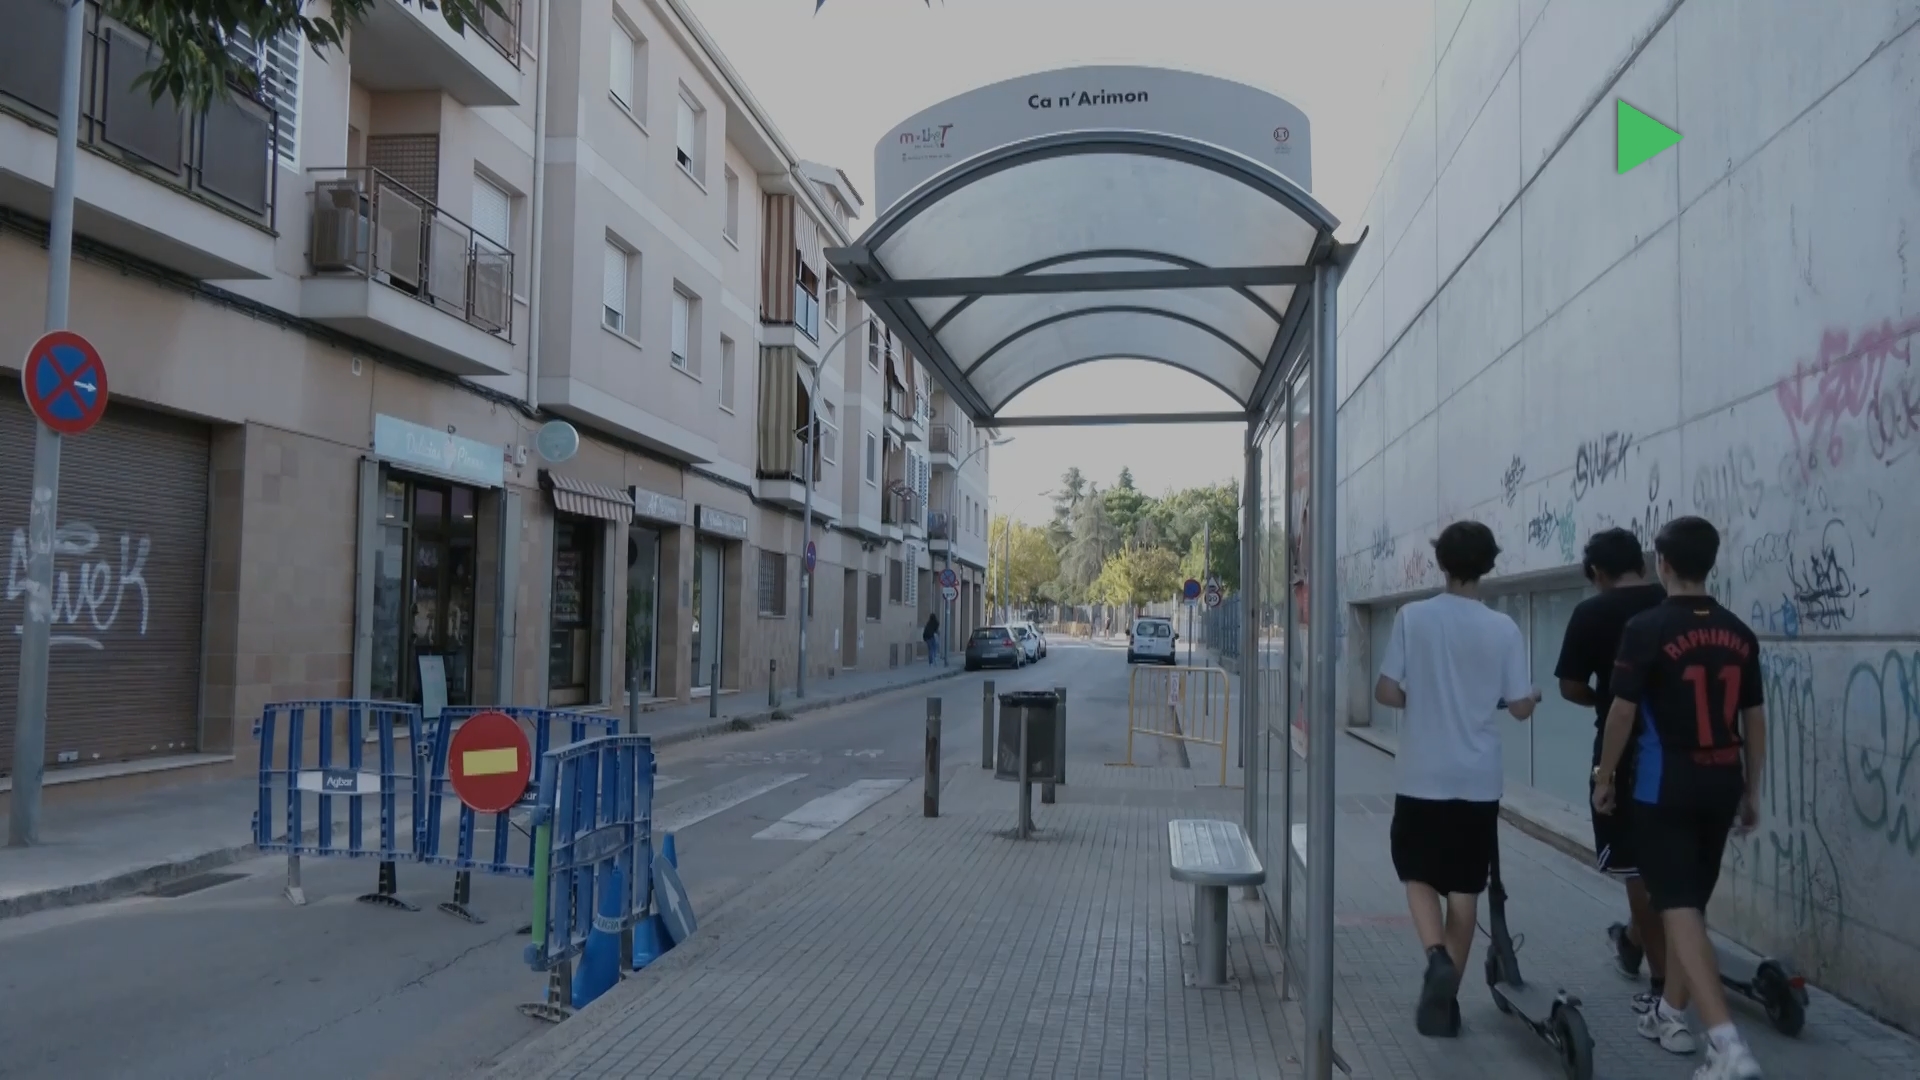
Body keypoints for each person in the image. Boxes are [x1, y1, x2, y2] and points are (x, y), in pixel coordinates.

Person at [1593, 516, 1768, 1080]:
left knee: (1677, 906)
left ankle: (1726, 1044)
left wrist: (1604, 776)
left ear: (1663, 564)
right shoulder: (1740, 633)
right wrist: (1752, 789)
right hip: (1722, 782)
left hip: (1663, 784)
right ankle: (1670, 1012)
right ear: (1710, 563)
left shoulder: (1646, 628)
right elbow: (1754, 717)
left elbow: (1621, 712)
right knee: (1689, 903)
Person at [1374, 520, 1540, 1038]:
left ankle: (1435, 957)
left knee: (1417, 873)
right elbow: (1518, 707)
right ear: (1488, 564)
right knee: (1466, 888)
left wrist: (1419, 699)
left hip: (1422, 774)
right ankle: (1445, 1007)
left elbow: (1385, 690)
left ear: (1440, 562)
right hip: (1478, 780)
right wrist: (1531, 697)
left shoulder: (1413, 617)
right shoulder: (1503, 629)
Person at [1553, 528, 1672, 1024]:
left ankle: (1662, 984)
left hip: (1624, 752)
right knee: (1672, 862)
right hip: (1684, 748)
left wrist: (1604, 701)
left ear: (1597, 573)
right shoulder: (1672, 602)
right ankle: (1633, 941)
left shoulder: (1591, 613)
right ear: (1643, 564)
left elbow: (1570, 687)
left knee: (1635, 868)